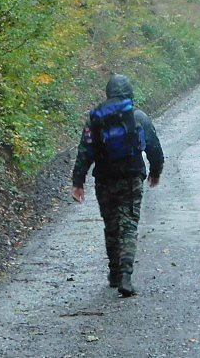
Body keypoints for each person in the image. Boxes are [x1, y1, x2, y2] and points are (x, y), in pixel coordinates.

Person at [71, 73, 163, 297]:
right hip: (131, 179)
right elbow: (154, 148)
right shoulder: (138, 116)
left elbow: (85, 150)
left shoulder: (96, 118)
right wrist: (155, 172)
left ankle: (113, 273)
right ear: (130, 92)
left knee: (111, 225)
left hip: (104, 179)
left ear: (108, 92)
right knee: (128, 226)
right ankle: (126, 276)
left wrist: (78, 181)